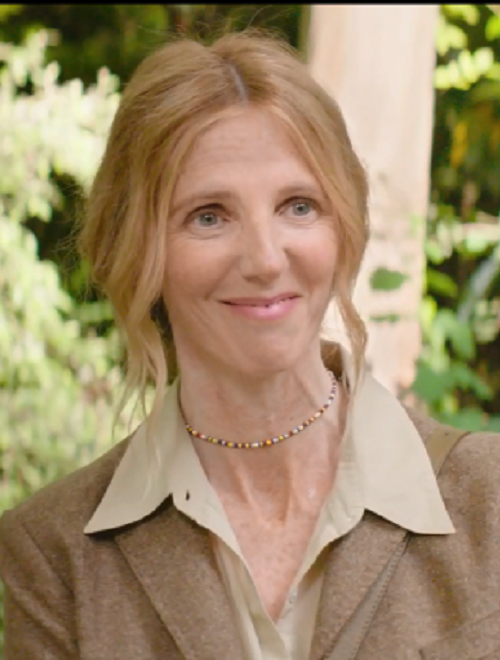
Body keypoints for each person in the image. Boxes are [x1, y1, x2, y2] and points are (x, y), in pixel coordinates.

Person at [1, 29, 500, 660]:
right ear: (138, 249)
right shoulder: (54, 556)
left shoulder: (490, 500)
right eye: (209, 216)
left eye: (299, 206)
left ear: (344, 228)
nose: (265, 259)